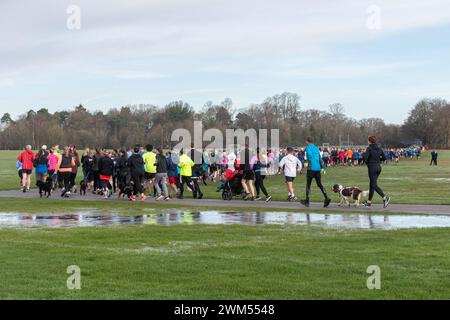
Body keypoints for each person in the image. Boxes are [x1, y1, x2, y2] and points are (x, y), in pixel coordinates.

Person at [300, 137, 331, 208]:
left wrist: (306, 163)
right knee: (320, 184)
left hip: (311, 169)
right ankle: (326, 197)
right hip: (318, 169)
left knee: (308, 185)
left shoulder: (308, 148)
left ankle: (307, 201)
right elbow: (320, 159)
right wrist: (322, 168)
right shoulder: (316, 148)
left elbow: (309, 157)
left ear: (307, 141)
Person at [362, 136, 390, 208]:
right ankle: (369, 202)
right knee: (372, 184)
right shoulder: (379, 148)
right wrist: (377, 160)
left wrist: (363, 155)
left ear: (369, 141)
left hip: (372, 168)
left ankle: (385, 198)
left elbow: (365, 158)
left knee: (373, 185)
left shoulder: (369, 148)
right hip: (378, 167)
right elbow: (384, 158)